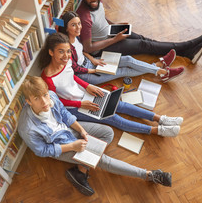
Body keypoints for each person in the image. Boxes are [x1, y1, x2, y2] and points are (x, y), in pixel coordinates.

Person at [18, 76, 173, 196]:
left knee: (108, 132)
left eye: (45, 95)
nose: (45, 101)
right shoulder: (27, 128)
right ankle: (149, 175)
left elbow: (64, 114)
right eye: (37, 98)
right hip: (60, 143)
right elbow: (43, 151)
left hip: (69, 129)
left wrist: (82, 131)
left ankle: (81, 169)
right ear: (28, 101)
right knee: (103, 160)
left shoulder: (51, 96)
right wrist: (73, 146)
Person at [39, 33, 183, 137]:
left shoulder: (67, 62)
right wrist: (81, 104)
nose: (66, 56)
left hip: (85, 93)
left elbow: (73, 77)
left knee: (120, 105)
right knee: (113, 118)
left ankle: (161, 119)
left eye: (68, 51)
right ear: (51, 52)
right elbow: (58, 102)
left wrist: (88, 85)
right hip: (74, 107)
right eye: (61, 52)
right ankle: (156, 131)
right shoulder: (47, 78)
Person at [76, 0, 202, 64]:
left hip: (111, 33)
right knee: (143, 44)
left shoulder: (96, 2)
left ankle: (187, 53)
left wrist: (114, 25)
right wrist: (116, 39)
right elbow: (88, 48)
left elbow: (101, 18)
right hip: (102, 48)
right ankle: (188, 44)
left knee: (143, 39)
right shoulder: (84, 17)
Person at [59, 11, 185, 84]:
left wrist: (93, 60)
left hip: (91, 62)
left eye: (79, 23)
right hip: (87, 74)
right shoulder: (66, 47)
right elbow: (74, 68)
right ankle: (161, 71)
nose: (79, 27)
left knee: (128, 60)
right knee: (123, 71)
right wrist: (94, 70)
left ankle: (158, 67)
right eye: (73, 25)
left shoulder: (77, 38)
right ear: (66, 28)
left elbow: (83, 51)